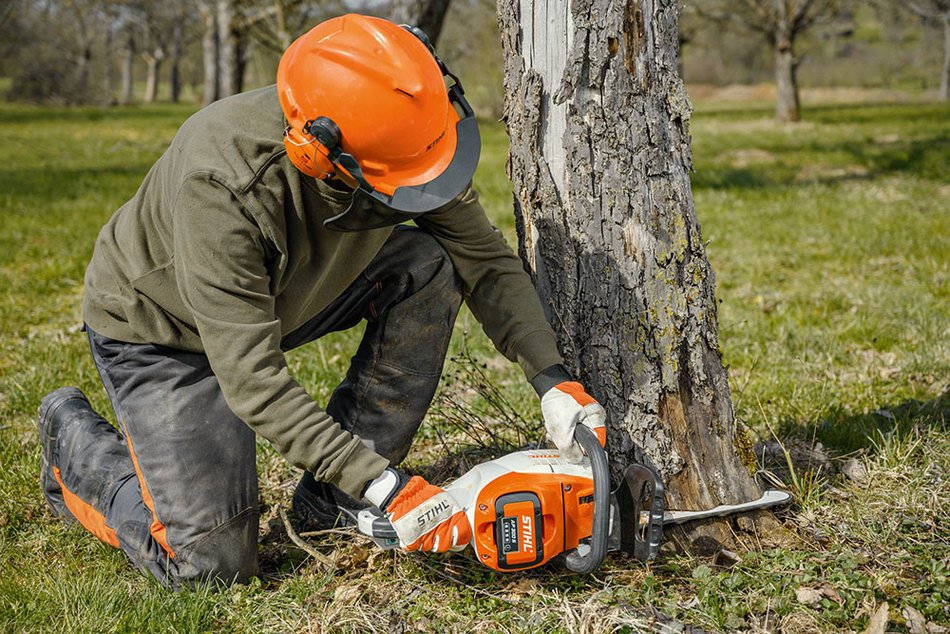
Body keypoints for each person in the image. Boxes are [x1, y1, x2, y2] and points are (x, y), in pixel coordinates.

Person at [37, 14, 606, 588]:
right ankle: (73, 448)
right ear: (317, 157)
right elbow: (252, 378)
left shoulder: (402, 132)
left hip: (281, 296)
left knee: (429, 264)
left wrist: (553, 381)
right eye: (401, 184)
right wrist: (387, 487)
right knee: (211, 566)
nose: (423, 193)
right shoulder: (222, 186)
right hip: (165, 331)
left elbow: (484, 261)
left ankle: (335, 497)